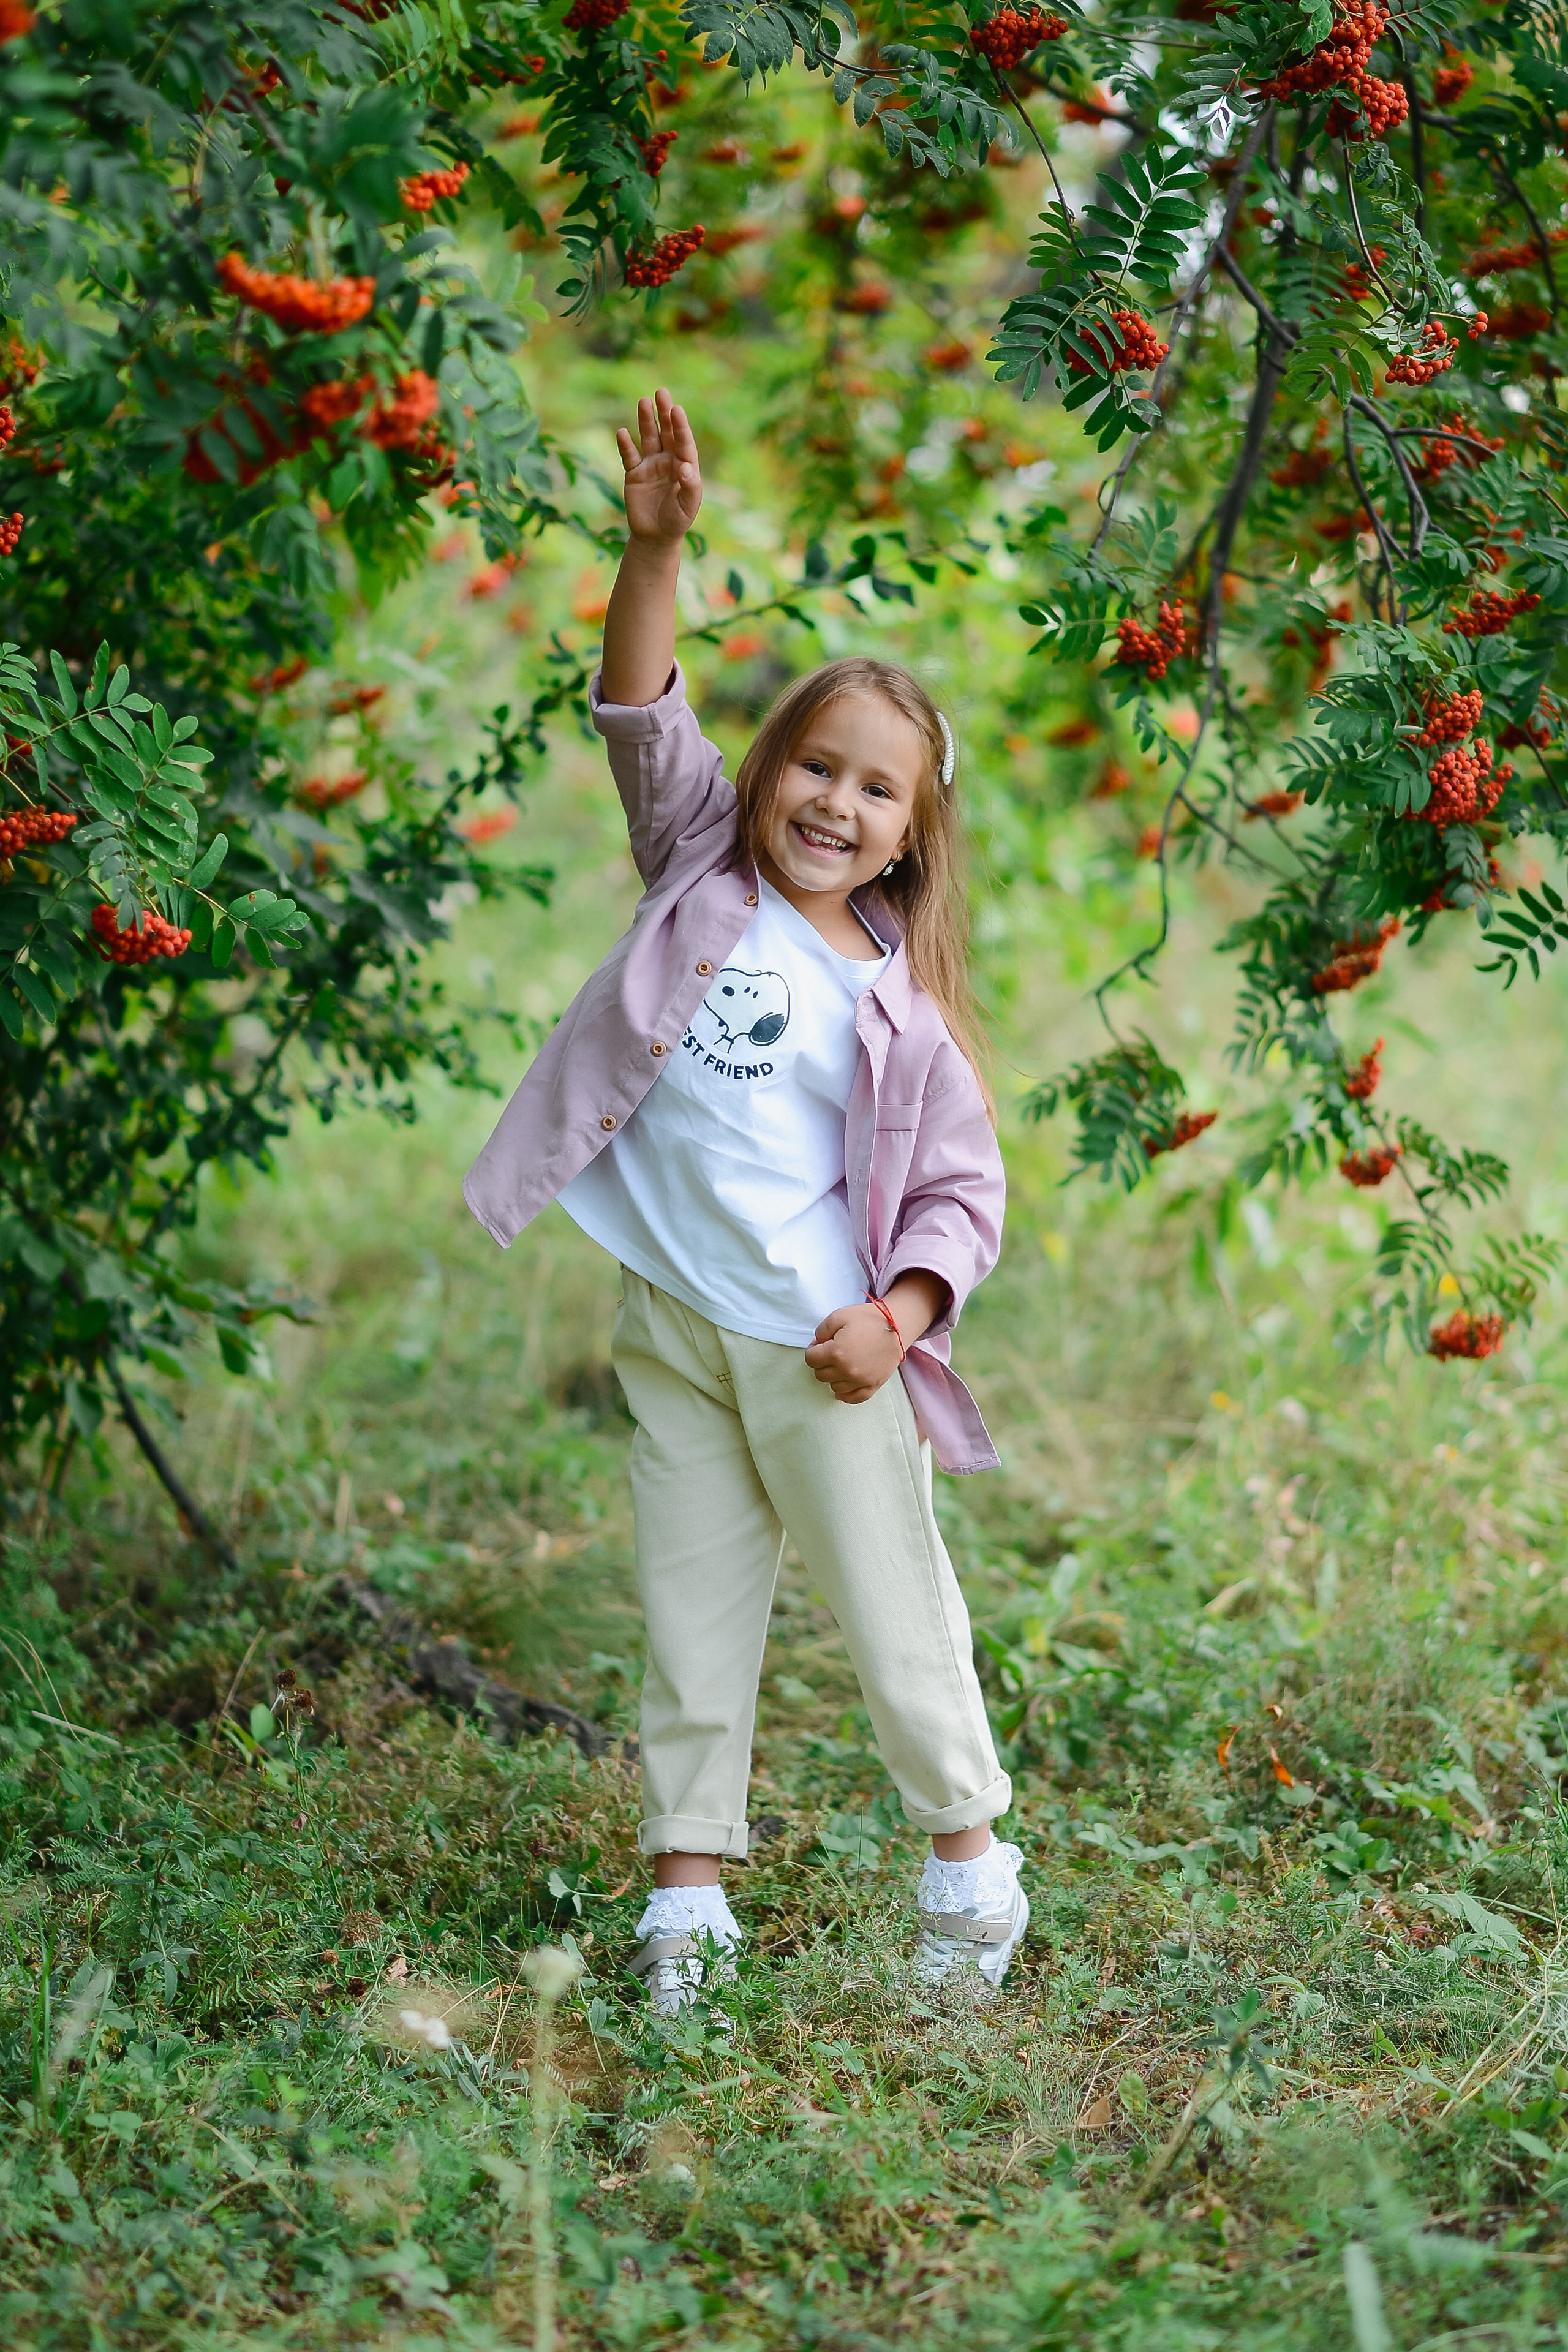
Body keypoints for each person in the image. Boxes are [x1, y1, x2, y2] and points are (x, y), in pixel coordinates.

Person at [464, 388, 1024, 2011]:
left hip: (822, 1352)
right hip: (675, 1323)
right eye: (817, 768)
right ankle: (687, 1905)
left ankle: (972, 1870)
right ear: (768, 769)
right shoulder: (701, 867)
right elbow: (639, 706)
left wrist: (899, 1317)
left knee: (894, 1626)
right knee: (690, 1614)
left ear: (914, 832)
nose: (835, 806)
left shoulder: (900, 1009)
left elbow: (961, 1203)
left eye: (876, 792)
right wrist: (655, 548)